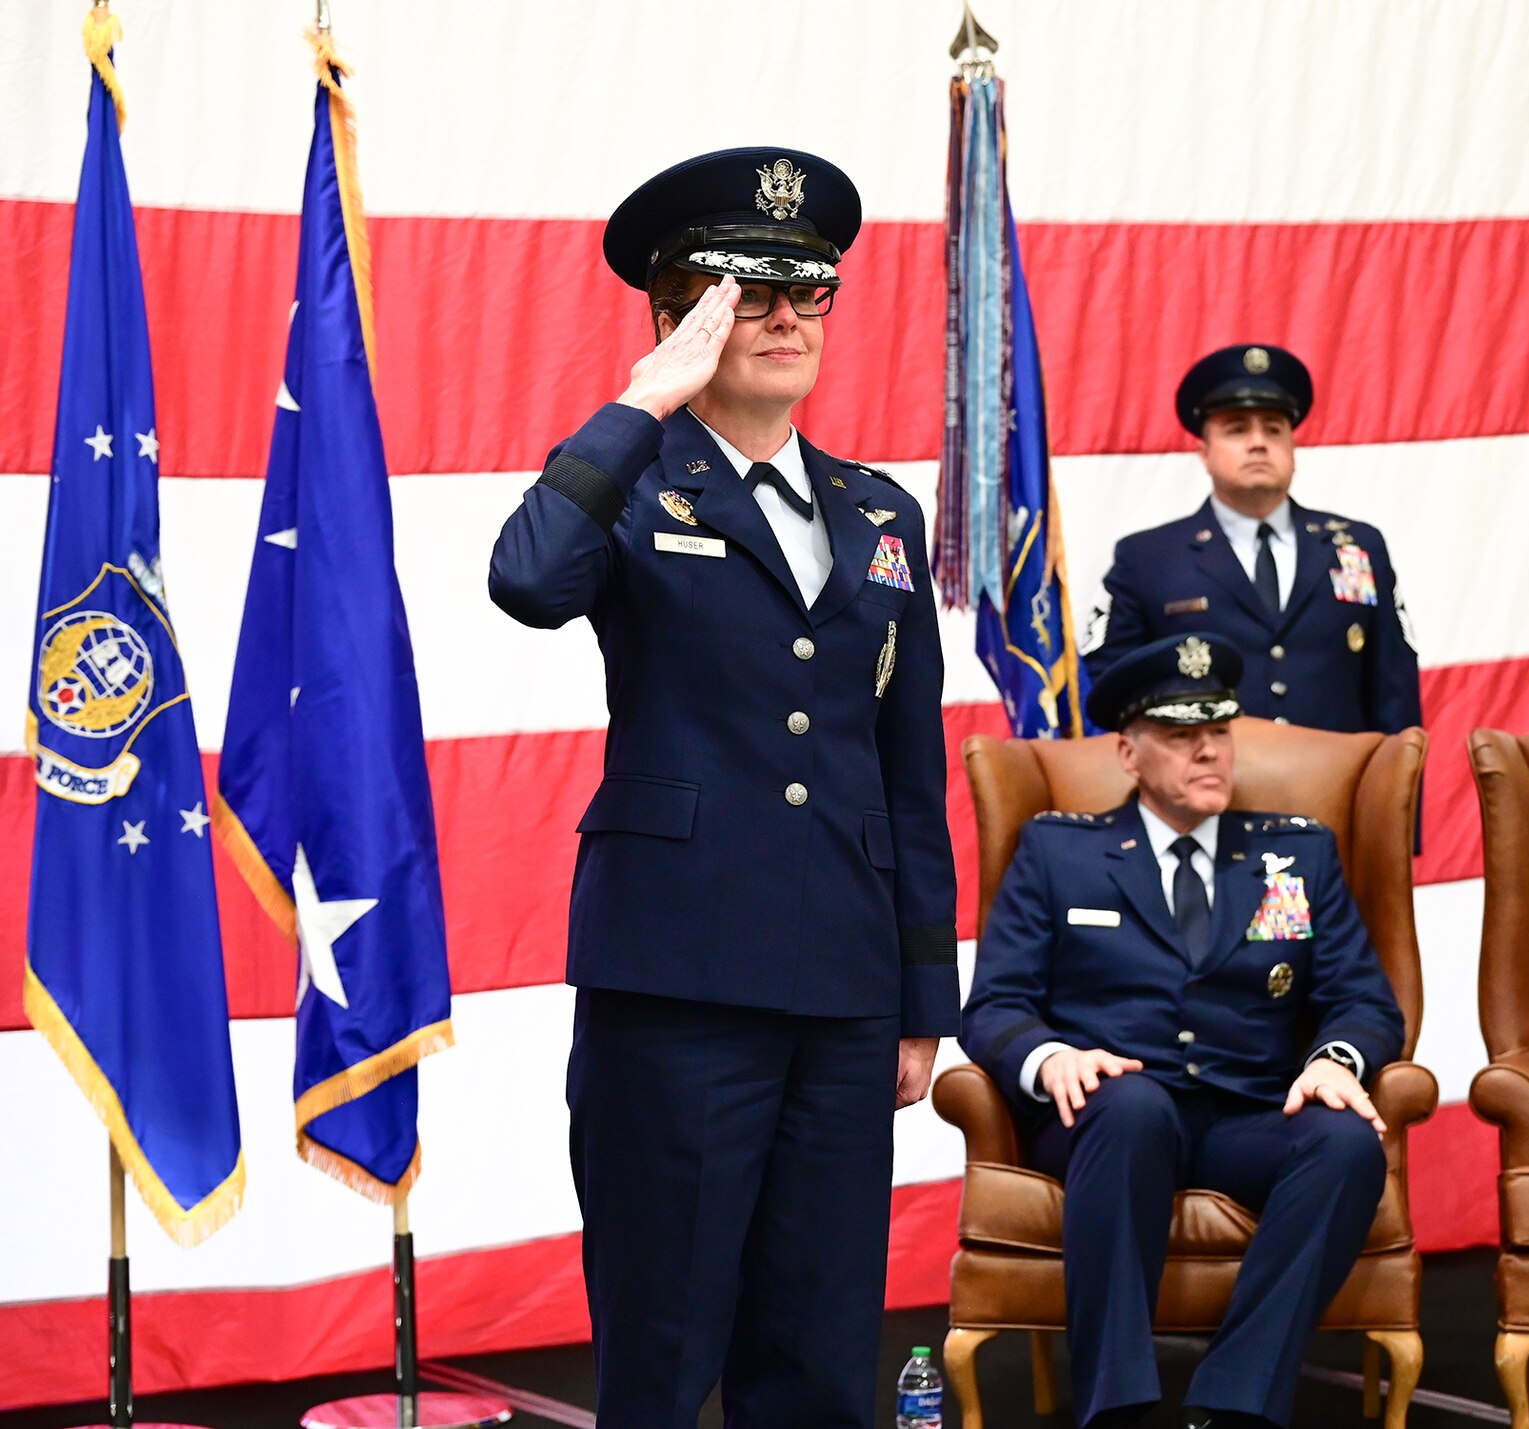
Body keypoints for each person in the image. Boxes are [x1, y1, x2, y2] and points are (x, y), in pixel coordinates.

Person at [488, 147, 957, 1429]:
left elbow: (906, 766)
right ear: (678, 315)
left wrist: (923, 999)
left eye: (809, 293)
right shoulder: (632, 476)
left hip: (844, 992)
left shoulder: (877, 513)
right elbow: (525, 579)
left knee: (815, 1355)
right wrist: (644, 400)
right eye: (750, 295)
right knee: (664, 1342)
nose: (791, 317)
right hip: (679, 983)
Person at [961, 633, 1405, 1429]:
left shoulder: (1294, 856)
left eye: (1219, 732)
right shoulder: (1061, 852)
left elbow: (1365, 1000)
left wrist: (1338, 1059)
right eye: (1180, 735)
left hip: (1248, 1115)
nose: (1209, 751)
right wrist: (1053, 1057)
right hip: (1108, 1119)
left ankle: (1235, 1403)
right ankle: (1117, 1409)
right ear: (1129, 753)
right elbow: (994, 1005)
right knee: (1132, 1106)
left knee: (1346, 1142)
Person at [1085, 344, 1421, 740]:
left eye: (1274, 429)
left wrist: (1396, 800)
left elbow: (1396, 694)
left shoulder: (1357, 547)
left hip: (1337, 794)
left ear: (1293, 449)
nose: (1258, 442)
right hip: (1209, 794)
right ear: (1204, 452)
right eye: (1237, 429)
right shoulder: (1147, 559)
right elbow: (1107, 698)